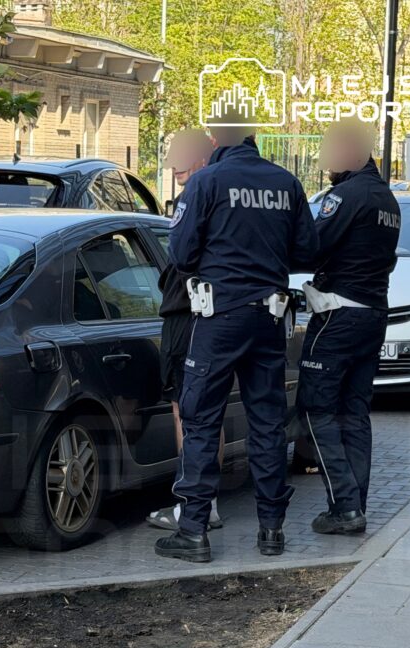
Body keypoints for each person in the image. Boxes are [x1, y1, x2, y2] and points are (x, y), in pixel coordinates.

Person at [154, 117, 318, 563]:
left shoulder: (207, 181)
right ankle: (271, 530)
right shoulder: (287, 183)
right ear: (254, 138)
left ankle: (193, 532)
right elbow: (307, 252)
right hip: (269, 317)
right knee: (267, 421)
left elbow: (182, 254)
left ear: (215, 141)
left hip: (218, 317)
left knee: (201, 418)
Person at [296, 116, 400, 535]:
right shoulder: (387, 199)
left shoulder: (346, 195)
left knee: (317, 410)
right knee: (355, 413)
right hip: (373, 316)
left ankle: (344, 506)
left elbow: (312, 247)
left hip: (337, 317)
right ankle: (356, 503)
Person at [147, 129, 224, 533]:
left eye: (181, 153)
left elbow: (183, 256)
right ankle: (206, 502)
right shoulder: (220, 193)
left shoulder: (198, 194)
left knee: (188, 413)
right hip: (209, 314)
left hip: (186, 315)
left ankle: (197, 505)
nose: (172, 161)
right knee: (206, 414)